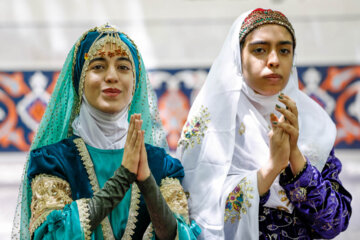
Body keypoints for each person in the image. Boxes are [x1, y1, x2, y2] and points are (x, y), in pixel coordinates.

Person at [12, 24, 200, 240]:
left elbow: (181, 236)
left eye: (123, 67)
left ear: (135, 82)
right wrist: (122, 178)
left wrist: (147, 181)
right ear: (80, 80)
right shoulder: (54, 161)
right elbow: (54, 236)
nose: (111, 76)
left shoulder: (160, 164)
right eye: (98, 66)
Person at [177, 8, 352, 239]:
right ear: (238, 57)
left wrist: (296, 159)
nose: (274, 60)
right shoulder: (212, 123)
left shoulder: (313, 123)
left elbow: (335, 222)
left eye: (284, 50)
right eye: (260, 50)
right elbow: (193, 212)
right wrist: (269, 170)